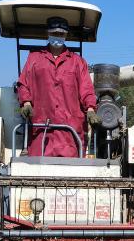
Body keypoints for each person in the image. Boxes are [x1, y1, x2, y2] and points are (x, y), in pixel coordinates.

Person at [16, 16, 99, 156]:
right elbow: (23, 84)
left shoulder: (78, 62)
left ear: (66, 35)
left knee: (71, 172)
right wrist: (26, 102)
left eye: (61, 34)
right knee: (37, 171)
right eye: (54, 33)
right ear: (47, 34)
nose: (57, 36)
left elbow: (87, 89)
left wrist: (90, 109)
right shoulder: (34, 58)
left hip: (70, 132)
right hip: (41, 129)